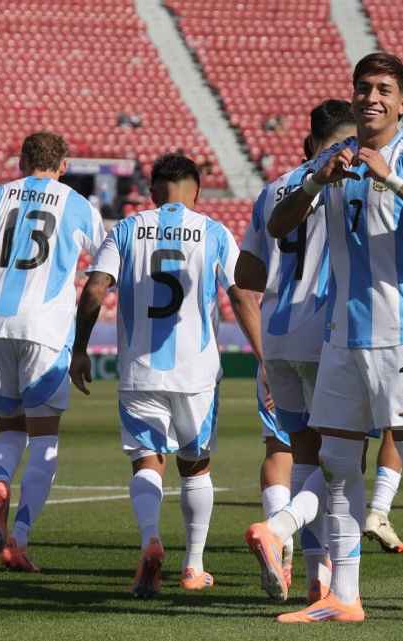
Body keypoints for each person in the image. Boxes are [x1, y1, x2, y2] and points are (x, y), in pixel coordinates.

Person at [263, 52, 403, 625]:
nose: (370, 98)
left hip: (400, 336)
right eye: (362, 88)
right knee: (336, 463)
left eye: (383, 90)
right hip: (340, 337)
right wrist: (313, 185)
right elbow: (279, 227)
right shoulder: (333, 157)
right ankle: (344, 596)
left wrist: (392, 179)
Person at [69, 153, 265, 597]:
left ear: (152, 191)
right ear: (195, 191)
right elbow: (242, 297)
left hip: (140, 370)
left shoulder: (126, 228)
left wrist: (79, 350)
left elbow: (95, 289)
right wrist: (265, 358)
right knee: (195, 466)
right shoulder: (214, 232)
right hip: (196, 372)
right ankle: (194, 566)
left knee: (146, 460)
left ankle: (150, 541)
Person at [0, 131, 104, 572]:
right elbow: (103, 268)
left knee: (10, 428)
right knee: (45, 437)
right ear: (64, 165)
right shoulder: (79, 205)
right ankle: (20, 538)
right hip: (45, 327)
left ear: (20, 161)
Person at [236, 99, 358, 603]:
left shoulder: (272, 190)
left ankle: (314, 578)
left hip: (279, 336)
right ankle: (280, 529)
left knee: (304, 456)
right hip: (327, 333)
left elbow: (246, 276)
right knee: (345, 460)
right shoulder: (353, 182)